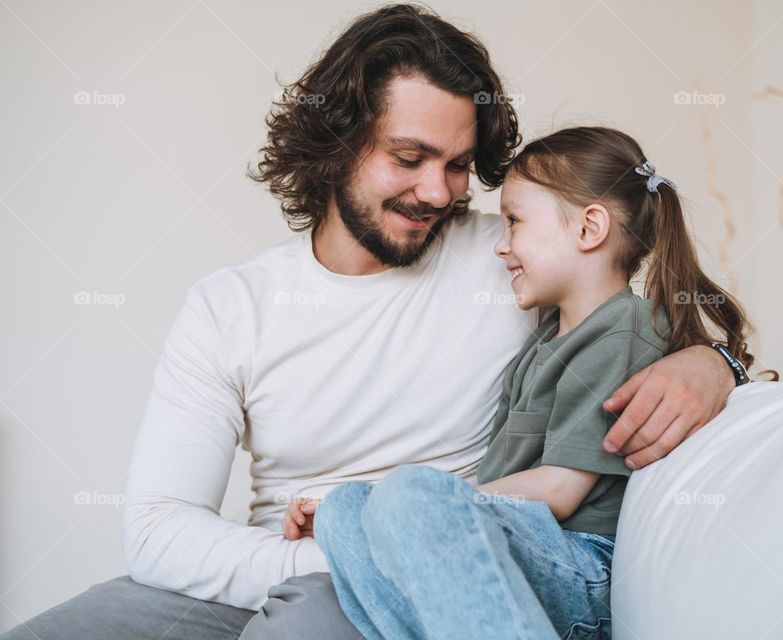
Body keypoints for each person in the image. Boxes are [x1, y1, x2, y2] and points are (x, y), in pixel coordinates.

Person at [0, 6, 743, 640]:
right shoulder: (232, 307)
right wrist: (337, 548)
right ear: (338, 144)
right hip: (286, 555)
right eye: (410, 157)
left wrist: (716, 366)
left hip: (415, 566)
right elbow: (160, 528)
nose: (437, 191)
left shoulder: (508, 261)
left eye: (456, 165)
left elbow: (623, 308)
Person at [281, 126, 756, 639]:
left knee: (407, 494)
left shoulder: (625, 331)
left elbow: (558, 491)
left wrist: (428, 501)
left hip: (583, 565)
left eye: (514, 222)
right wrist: (381, 506)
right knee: (345, 511)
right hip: (523, 547)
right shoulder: (547, 332)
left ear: (588, 229)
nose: (501, 246)